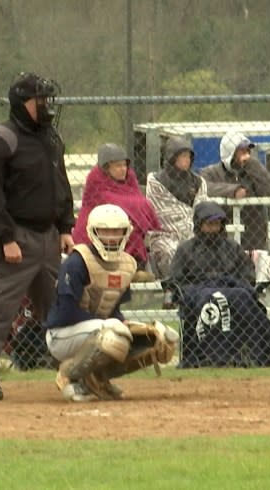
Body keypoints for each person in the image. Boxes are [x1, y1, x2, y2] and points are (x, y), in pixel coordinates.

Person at [0, 72, 75, 401]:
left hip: (49, 237)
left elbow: (61, 184)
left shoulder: (50, 137)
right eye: (39, 100)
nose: (46, 106)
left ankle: (79, 372)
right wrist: (6, 238)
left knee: (60, 308)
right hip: (17, 238)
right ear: (21, 103)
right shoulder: (0, 140)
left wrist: (66, 227)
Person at [46, 204, 178, 402]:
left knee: (157, 339)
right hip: (62, 334)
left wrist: (125, 325)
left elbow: (114, 309)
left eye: (117, 231)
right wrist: (110, 325)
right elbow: (66, 313)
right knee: (113, 335)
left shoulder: (127, 264)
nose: (111, 236)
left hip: (96, 329)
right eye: (105, 231)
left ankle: (98, 379)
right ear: (93, 232)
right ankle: (70, 376)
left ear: (126, 232)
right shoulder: (77, 261)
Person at [170, 201, 270, 367]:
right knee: (210, 297)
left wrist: (225, 282)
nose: (213, 229)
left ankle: (258, 352)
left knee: (241, 295)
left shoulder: (233, 248)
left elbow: (247, 276)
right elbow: (177, 279)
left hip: (232, 290)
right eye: (209, 224)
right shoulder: (186, 249)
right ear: (199, 225)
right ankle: (211, 356)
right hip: (200, 292)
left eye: (217, 224)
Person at [71, 143, 161, 282]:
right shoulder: (97, 180)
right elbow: (113, 203)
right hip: (100, 230)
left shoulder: (130, 179)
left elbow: (140, 202)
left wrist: (135, 207)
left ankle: (133, 268)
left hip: (126, 227)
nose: (123, 169)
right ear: (106, 168)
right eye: (118, 166)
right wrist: (136, 207)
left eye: (125, 165)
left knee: (133, 230)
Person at [200, 130, 270, 253]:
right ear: (231, 152)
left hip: (253, 240)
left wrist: (254, 166)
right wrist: (233, 191)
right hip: (221, 240)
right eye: (242, 150)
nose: (247, 154)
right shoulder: (211, 172)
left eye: (248, 150)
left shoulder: (253, 172)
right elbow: (204, 187)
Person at [146, 136, 208, 278]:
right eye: (182, 156)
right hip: (165, 235)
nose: (186, 160)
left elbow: (201, 210)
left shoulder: (198, 182)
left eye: (188, 156)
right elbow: (160, 212)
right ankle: (174, 287)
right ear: (172, 157)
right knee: (171, 252)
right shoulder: (156, 181)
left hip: (193, 234)